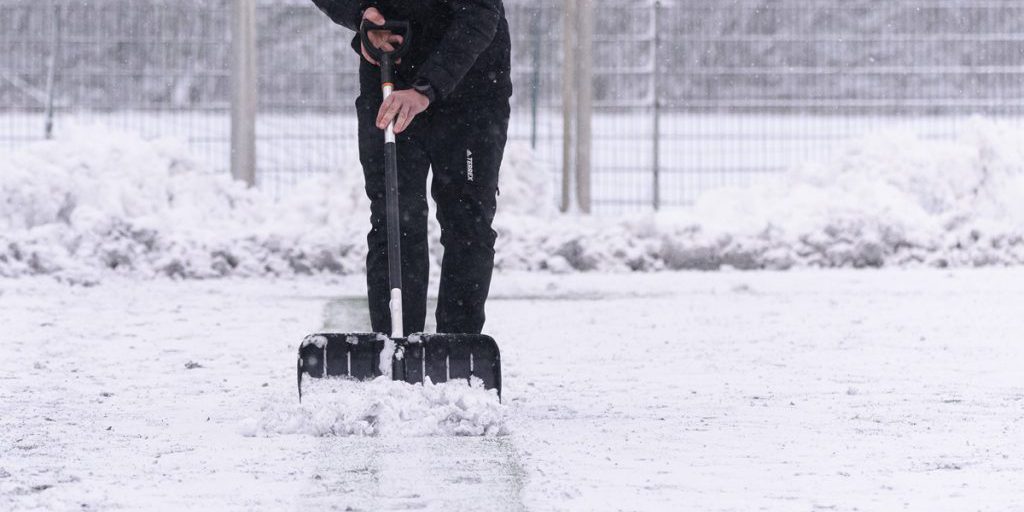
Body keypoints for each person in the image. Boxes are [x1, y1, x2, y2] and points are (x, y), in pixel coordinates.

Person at [311, 1, 512, 335]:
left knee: (467, 224)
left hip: (472, 90)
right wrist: (360, 14)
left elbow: (480, 15)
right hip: (389, 79)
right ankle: (396, 345)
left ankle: (457, 347)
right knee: (395, 219)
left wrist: (426, 88)